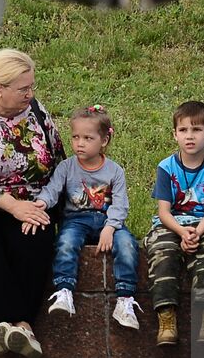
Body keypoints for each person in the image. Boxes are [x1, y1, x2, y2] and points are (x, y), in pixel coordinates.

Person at [0, 49, 64, 358]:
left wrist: (40, 203)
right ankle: (21, 324)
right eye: (23, 89)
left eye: (31, 87)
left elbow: (58, 161)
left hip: (32, 200)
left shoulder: (35, 111)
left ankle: (11, 329)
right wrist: (11, 206)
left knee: (35, 237)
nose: (30, 94)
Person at [39, 105, 142, 330]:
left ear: (104, 140)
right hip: (76, 220)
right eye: (75, 137)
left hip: (108, 221)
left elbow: (120, 204)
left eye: (88, 138)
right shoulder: (66, 167)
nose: (80, 143)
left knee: (127, 244)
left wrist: (111, 228)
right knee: (66, 242)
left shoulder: (115, 171)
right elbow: (53, 190)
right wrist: (41, 202)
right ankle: (64, 291)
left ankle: (125, 299)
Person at [144, 101, 204, 346]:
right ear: (174, 134)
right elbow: (164, 212)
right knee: (163, 251)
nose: (189, 136)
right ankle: (166, 316)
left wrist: (196, 234)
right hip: (172, 225)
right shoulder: (166, 167)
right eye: (183, 131)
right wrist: (182, 232)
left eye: (197, 130)